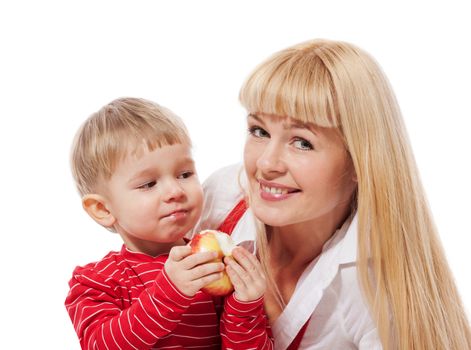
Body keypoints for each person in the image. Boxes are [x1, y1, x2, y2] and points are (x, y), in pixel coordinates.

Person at [194, 39, 471, 349]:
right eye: (259, 131)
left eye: (302, 142)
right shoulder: (223, 196)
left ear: (360, 161)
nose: (266, 164)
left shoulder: (375, 291)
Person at [65, 97, 272, 349]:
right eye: (148, 184)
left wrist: (245, 306)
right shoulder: (96, 281)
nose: (175, 190)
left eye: (184, 174)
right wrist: (169, 292)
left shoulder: (217, 266)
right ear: (102, 209)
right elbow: (101, 345)